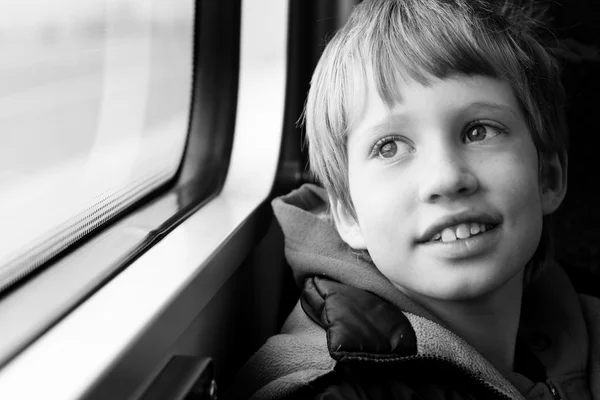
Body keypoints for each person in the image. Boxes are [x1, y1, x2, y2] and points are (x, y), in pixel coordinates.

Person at [226, 0, 600, 398]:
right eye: (390, 147)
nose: (446, 178)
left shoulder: (581, 317)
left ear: (549, 177)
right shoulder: (336, 391)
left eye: (479, 131)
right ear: (348, 214)